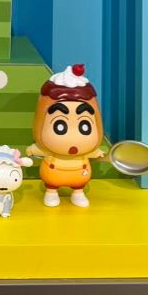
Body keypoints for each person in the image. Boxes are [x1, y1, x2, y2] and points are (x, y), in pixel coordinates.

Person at [27, 65, 106, 208]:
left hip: (80, 174)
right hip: (53, 173)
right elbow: (38, 150)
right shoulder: (46, 145)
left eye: (85, 126)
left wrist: (97, 152)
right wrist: (33, 149)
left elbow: (95, 153)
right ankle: (51, 192)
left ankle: (78, 193)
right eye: (60, 126)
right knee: (52, 185)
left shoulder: (87, 149)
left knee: (78, 186)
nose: (73, 138)